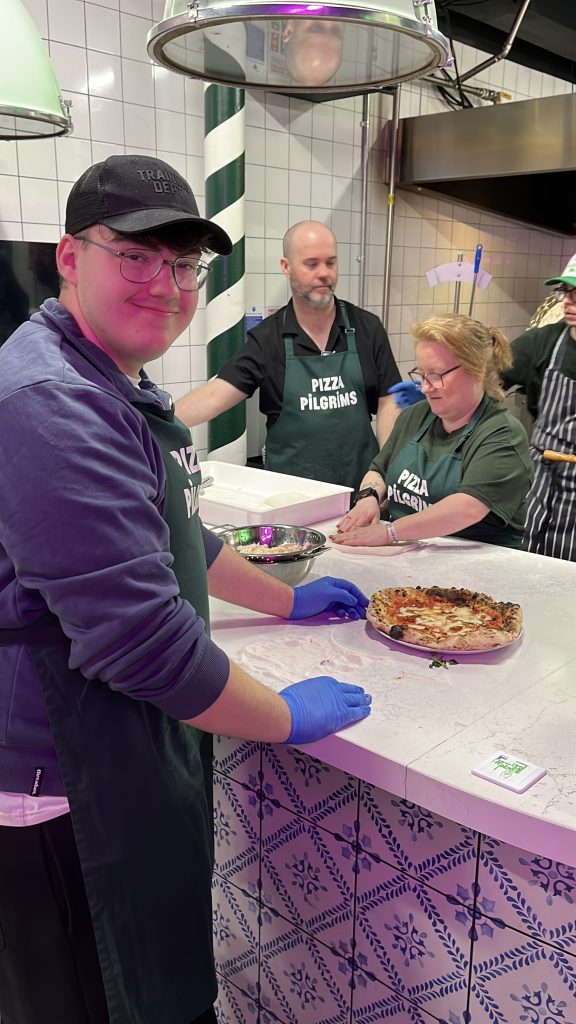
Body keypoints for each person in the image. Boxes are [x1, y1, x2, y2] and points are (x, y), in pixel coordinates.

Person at [0, 155, 373, 1024]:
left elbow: (175, 534)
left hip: (112, 755)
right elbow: (145, 646)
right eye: (136, 256)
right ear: (68, 256)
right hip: (62, 790)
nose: (167, 286)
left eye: (183, 265)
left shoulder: (107, 377)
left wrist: (288, 598)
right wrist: (289, 717)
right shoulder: (50, 401)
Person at [175, 220, 401, 489]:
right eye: (311, 264)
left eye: (331, 263)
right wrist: (147, 424)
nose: (324, 273)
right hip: (291, 502)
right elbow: (214, 395)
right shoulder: (268, 339)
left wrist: (384, 471)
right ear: (286, 267)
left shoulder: (366, 327)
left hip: (362, 496)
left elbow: (389, 400)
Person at [333, 314, 534, 549]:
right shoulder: (415, 416)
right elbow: (379, 470)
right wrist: (369, 498)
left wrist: (390, 532)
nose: (426, 387)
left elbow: (467, 507)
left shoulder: (502, 435)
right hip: (411, 559)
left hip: (477, 567)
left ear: (477, 370)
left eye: (437, 375)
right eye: (422, 375)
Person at [500, 254, 576, 560]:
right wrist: (442, 389)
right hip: (540, 477)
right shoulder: (543, 342)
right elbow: (488, 379)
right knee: (526, 562)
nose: (569, 302)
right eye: (566, 291)